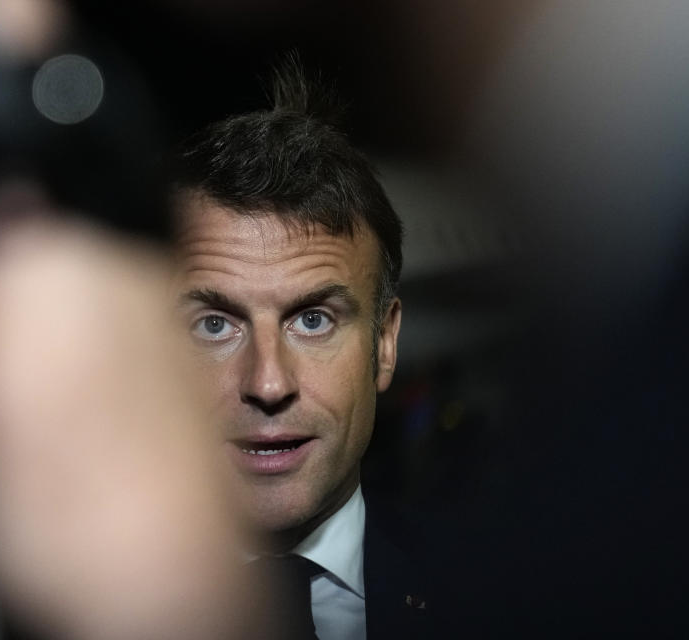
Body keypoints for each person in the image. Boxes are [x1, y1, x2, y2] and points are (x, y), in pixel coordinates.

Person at [169, 58, 435, 639]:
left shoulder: (519, 600)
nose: (268, 383)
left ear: (384, 344)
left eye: (312, 319)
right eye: (214, 325)